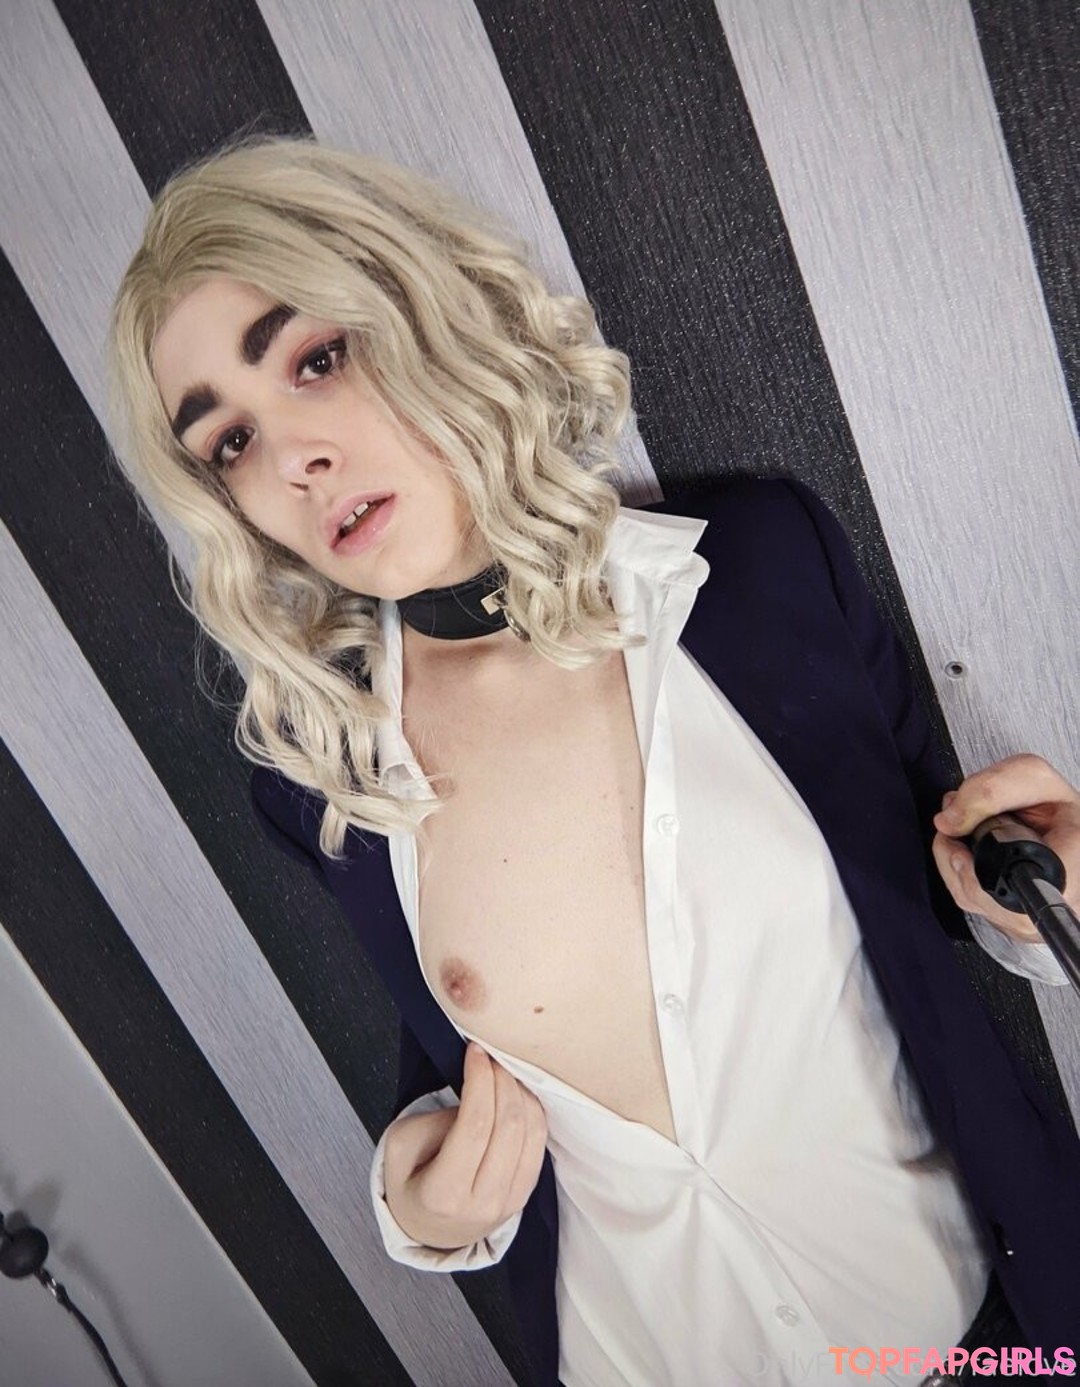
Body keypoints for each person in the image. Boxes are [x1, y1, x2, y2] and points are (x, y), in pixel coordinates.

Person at [108, 135, 1080, 1386]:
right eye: (230, 441)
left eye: (316, 358)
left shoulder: (766, 565)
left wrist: (1038, 892)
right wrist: (419, 1206)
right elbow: (464, 1036)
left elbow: (932, 883)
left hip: (988, 1339)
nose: (293, 457)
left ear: (426, 306)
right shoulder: (325, 779)